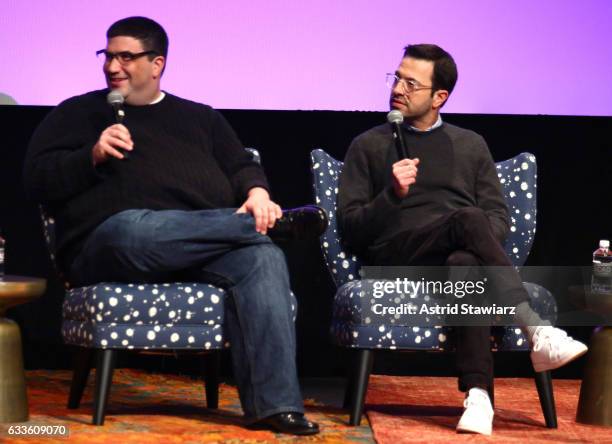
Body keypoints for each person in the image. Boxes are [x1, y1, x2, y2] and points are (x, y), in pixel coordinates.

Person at [24, 16, 319, 436]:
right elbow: (35, 179)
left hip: (197, 250)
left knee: (262, 258)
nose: (112, 66)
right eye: (107, 56)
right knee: (134, 228)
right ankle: (276, 226)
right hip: (110, 247)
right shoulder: (77, 113)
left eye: (126, 56)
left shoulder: (201, 119)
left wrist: (256, 194)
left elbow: (241, 166)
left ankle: (276, 407)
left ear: (157, 63)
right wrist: (90, 155)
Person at [337, 43, 587, 436]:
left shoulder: (471, 145)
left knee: (465, 264)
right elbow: (350, 229)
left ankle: (478, 397)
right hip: (396, 255)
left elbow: (497, 216)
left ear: (440, 97)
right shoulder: (368, 145)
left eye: (411, 83)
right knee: (468, 220)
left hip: (452, 256)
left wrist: (471, 239)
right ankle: (535, 329)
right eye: (397, 77)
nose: (398, 88)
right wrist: (391, 195)